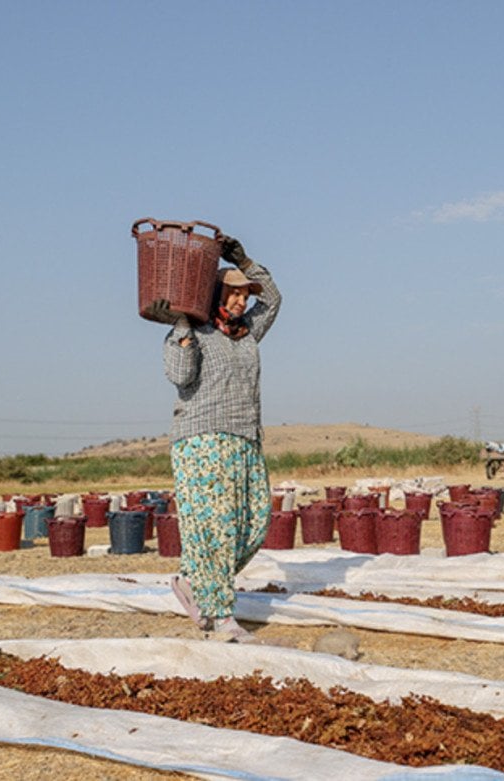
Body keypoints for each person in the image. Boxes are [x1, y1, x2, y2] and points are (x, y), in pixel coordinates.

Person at [157, 234, 281, 642]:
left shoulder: (245, 333)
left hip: (245, 436)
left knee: (253, 525)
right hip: (202, 439)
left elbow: (275, 300)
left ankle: (192, 580)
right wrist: (182, 325)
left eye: (244, 295)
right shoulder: (193, 332)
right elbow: (179, 375)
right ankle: (218, 617)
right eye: (232, 294)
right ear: (213, 294)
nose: (241, 302)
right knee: (216, 529)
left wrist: (244, 260)